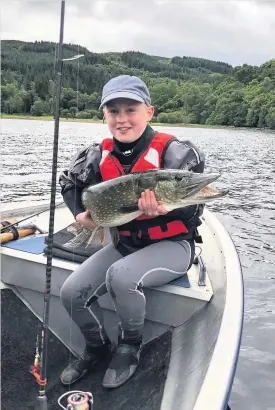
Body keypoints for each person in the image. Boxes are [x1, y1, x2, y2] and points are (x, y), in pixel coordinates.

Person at [59, 74, 205, 389]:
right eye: (114, 111)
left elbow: (194, 206)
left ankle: (129, 345)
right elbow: (70, 184)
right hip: (126, 244)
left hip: (173, 246)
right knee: (71, 293)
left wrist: (171, 208)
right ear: (104, 115)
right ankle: (98, 347)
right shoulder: (97, 155)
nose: (122, 119)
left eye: (131, 109)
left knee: (121, 277)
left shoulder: (175, 155)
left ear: (149, 112)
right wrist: (83, 215)